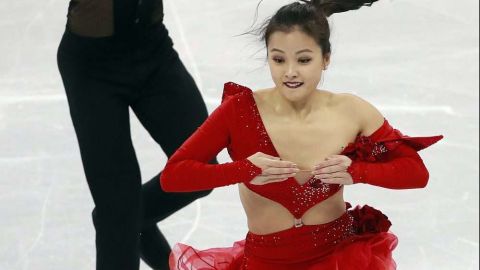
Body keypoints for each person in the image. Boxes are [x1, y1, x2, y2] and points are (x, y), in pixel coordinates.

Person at [159, 0, 444, 269]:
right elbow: (174, 176)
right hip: (265, 262)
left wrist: (357, 172)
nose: (290, 72)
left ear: (326, 59)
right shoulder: (240, 112)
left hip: (338, 257)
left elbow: (415, 172)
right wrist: (243, 170)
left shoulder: (351, 111)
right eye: (279, 60)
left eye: (304, 60)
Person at [56, 0, 215, 269]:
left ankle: (124, 221)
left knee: (201, 170)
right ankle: (120, 219)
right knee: (118, 211)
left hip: (153, 50)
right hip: (91, 68)